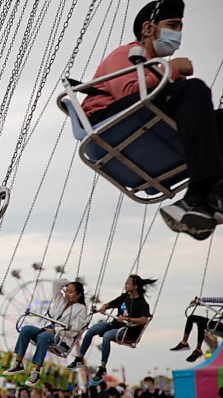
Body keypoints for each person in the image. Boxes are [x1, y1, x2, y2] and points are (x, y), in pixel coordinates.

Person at [79, 0, 223, 240]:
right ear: (148, 28)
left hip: (143, 122)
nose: (177, 34)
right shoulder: (126, 53)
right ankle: (206, 190)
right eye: (172, 25)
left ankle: (200, 199)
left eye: (179, 28)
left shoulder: (159, 72)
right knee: (194, 90)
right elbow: (128, 91)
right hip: (109, 121)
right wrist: (173, 70)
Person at [67, 275, 155, 383]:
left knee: (107, 336)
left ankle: (102, 368)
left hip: (128, 332)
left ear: (135, 286)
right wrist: (104, 307)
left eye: (128, 283)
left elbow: (144, 320)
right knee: (91, 331)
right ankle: (79, 359)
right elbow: (110, 304)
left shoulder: (142, 303)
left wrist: (127, 318)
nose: (125, 285)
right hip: (114, 326)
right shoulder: (124, 297)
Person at [4, 278, 88, 386]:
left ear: (79, 295)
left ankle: (36, 371)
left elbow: (74, 330)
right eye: (66, 290)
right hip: (45, 329)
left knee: (43, 337)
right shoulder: (60, 300)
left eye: (71, 292)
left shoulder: (81, 309)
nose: (67, 294)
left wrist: (55, 330)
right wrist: (70, 284)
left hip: (61, 339)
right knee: (26, 330)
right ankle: (18, 363)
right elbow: (56, 283)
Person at [169, 296, 223, 362]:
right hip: (217, 324)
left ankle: (198, 350)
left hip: (220, 328)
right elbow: (216, 299)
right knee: (191, 317)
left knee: (201, 324)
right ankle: (184, 343)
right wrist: (199, 300)